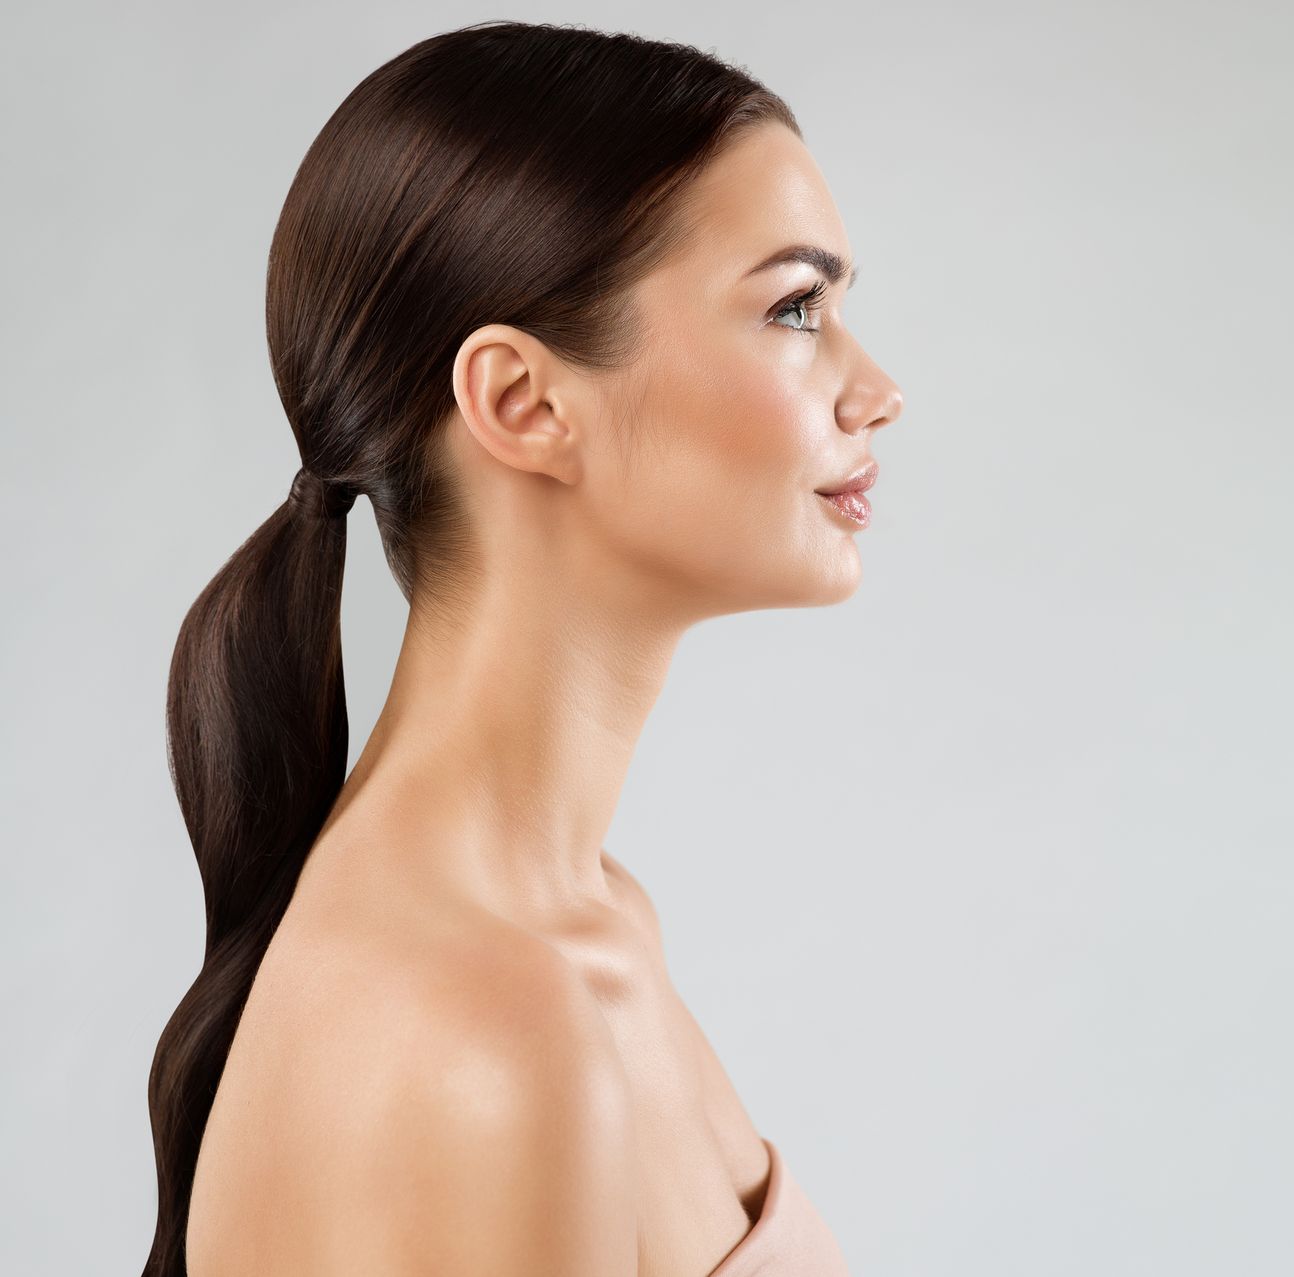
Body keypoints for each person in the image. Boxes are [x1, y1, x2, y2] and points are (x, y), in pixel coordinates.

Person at [143, 20, 902, 1277]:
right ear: (522, 402)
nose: (875, 388)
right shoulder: (488, 1027)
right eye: (794, 306)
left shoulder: (594, 927)